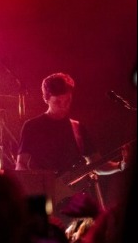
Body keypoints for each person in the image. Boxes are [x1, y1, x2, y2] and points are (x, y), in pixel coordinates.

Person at [15, 73, 124, 209]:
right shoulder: (32, 126)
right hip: (42, 200)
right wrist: (34, 190)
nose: (64, 106)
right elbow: (21, 166)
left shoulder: (77, 128)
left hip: (73, 204)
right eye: (57, 102)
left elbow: (97, 165)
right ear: (46, 99)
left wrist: (121, 165)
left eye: (67, 101)